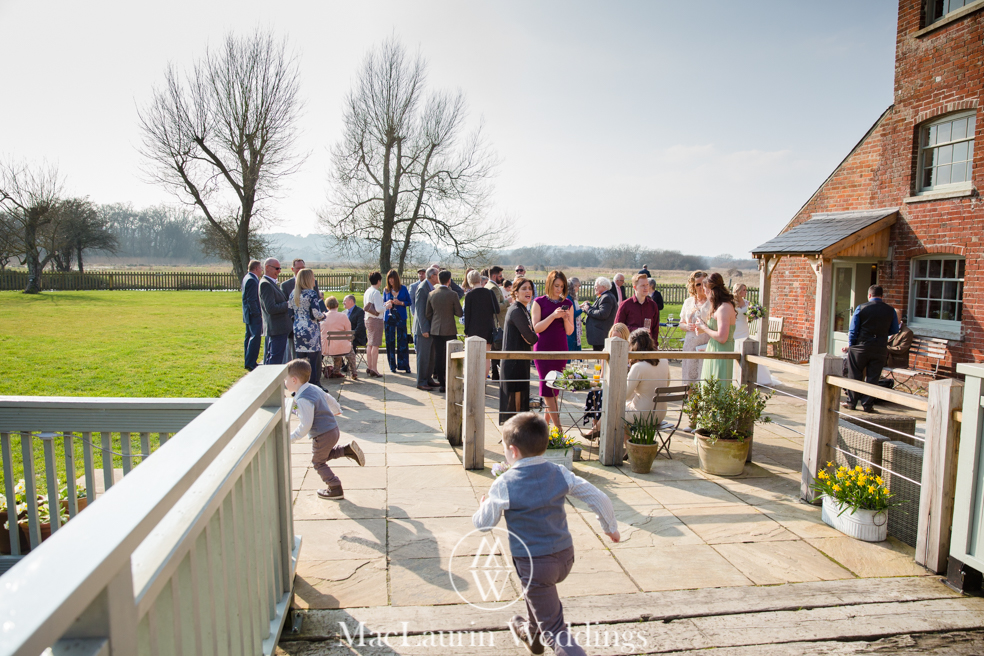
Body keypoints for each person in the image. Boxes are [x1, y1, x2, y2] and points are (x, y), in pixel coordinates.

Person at [472, 412, 618, 656]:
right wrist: (610, 527)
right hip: (564, 557)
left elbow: (483, 524)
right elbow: (598, 496)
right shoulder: (559, 472)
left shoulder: (504, 483)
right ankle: (531, 634)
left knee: (555, 630)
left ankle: (549, 638)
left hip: (534, 565)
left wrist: (483, 506)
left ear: (513, 451)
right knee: (540, 597)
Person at [285, 359, 365, 501]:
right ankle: (347, 450)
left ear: (294, 380)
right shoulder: (312, 388)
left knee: (318, 462)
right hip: (333, 429)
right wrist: (337, 410)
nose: (284, 382)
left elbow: (305, 425)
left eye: (285, 379)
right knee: (322, 455)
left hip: (322, 435)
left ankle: (335, 487)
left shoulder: (304, 399)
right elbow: (328, 398)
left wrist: (291, 438)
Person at [842, 285, 899, 413]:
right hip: (879, 347)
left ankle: (851, 402)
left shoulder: (861, 308)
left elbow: (853, 330)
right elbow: (894, 330)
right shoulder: (890, 310)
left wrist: (851, 345)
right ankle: (867, 405)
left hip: (861, 346)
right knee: (873, 377)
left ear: (869, 295)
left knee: (854, 375)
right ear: (882, 296)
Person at [531, 270, 575, 429]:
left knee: (555, 389)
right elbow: (537, 328)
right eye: (556, 286)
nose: (559, 290)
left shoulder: (568, 304)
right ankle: (559, 428)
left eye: (562, 287)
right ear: (549, 284)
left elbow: (570, 331)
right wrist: (553, 316)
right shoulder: (539, 302)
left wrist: (565, 318)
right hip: (543, 349)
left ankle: (546, 426)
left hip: (561, 349)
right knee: (546, 389)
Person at [499, 277, 538, 424]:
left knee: (520, 406)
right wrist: (532, 333)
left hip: (520, 361)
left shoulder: (523, 309)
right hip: (514, 363)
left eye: (529, 288)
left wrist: (531, 333)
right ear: (515, 292)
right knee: (515, 411)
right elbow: (531, 338)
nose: (528, 291)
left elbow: (530, 335)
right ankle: (514, 439)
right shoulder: (516, 310)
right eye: (524, 288)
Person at [583, 323, 630, 437]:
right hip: (609, 383)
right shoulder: (606, 350)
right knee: (594, 393)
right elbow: (603, 374)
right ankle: (597, 430)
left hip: (624, 386)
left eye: (619, 339)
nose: (616, 341)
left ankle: (597, 429)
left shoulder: (629, 351)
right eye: (613, 338)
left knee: (607, 396)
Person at [696, 272, 737, 386]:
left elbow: (722, 337)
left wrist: (704, 327)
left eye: (705, 289)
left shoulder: (724, 308)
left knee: (719, 387)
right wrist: (702, 327)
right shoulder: (719, 306)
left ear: (711, 290)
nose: (704, 292)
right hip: (714, 349)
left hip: (722, 351)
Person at [425, 270, 463, 393]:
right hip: (449, 329)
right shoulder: (453, 295)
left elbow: (428, 314)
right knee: (450, 356)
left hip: (436, 329)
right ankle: (450, 380)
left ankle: (441, 383)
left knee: (438, 356)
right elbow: (459, 313)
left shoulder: (432, 294)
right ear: (449, 280)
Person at [624, 329, 671, 425]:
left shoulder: (638, 367)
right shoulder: (664, 361)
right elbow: (667, 384)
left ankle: (599, 431)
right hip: (660, 415)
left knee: (614, 406)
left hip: (642, 415)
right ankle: (596, 429)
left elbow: (625, 395)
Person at [290, 269, 326, 387]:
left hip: (298, 328)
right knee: (313, 360)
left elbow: (290, 311)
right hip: (310, 329)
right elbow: (316, 313)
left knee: (300, 360)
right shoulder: (311, 294)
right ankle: (314, 384)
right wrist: (324, 316)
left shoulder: (293, 294)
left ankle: (300, 384)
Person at [282, 258, 323, 358]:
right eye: (298, 268)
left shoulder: (311, 285)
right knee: (305, 358)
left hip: (303, 326)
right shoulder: (286, 285)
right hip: (302, 327)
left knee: (306, 358)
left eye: (303, 267)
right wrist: (323, 316)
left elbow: (290, 311)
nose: (300, 270)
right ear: (293, 269)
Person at [464, 269, 498, 378]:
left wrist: (466, 331)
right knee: (486, 355)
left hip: (473, 329)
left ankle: (475, 379)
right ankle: (483, 380)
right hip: (488, 327)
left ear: (469, 280)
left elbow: (467, 316)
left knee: (473, 356)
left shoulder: (469, 295)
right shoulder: (490, 293)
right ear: (480, 279)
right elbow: (496, 310)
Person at [678, 270, 710, 383]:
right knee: (689, 377)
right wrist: (687, 327)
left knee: (703, 377)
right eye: (698, 284)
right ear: (693, 286)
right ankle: (689, 399)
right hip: (690, 343)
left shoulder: (712, 302)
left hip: (705, 343)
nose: (701, 287)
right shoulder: (688, 302)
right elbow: (681, 323)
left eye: (704, 283)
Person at [413, 267, 441, 391]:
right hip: (423, 329)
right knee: (423, 356)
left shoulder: (431, 287)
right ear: (432, 276)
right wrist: (424, 329)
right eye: (437, 274)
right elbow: (419, 310)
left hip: (431, 328)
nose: (439, 276)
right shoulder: (423, 288)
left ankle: (428, 378)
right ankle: (421, 381)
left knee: (431, 356)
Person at [259, 258, 291, 365]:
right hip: (277, 328)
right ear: (267, 267)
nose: (279, 271)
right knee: (275, 359)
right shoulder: (266, 284)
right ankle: (272, 379)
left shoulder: (270, 283)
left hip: (278, 328)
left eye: (280, 268)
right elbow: (271, 308)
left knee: (273, 357)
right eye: (277, 268)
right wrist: (287, 304)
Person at [614, 273, 660, 346]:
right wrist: (638, 329)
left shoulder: (653, 305)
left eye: (647, 285)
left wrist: (654, 346)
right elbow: (617, 328)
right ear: (635, 287)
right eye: (642, 285)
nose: (646, 288)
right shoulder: (625, 305)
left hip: (647, 347)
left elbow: (655, 329)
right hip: (629, 347)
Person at [382, 269, 412, 374]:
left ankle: (404, 365)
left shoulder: (403, 288)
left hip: (401, 317)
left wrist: (401, 303)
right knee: (390, 341)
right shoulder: (385, 290)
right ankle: (392, 365)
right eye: (389, 279)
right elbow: (382, 303)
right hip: (389, 317)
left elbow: (409, 302)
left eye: (392, 278)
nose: (391, 281)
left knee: (402, 341)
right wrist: (387, 303)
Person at [321, 296, 355, 380]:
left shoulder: (323, 317)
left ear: (327, 306)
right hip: (342, 347)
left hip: (327, 348)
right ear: (337, 305)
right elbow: (348, 332)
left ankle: (336, 371)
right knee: (347, 348)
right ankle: (353, 371)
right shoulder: (343, 316)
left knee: (336, 345)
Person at [486, 266, 511, 380]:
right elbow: (496, 308)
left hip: (494, 322)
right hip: (497, 323)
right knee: (498, 350)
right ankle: (497, 374)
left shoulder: (488, 285)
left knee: (495, 350)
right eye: (500, 276)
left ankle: (495, 374)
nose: (502, 278)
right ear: (494, 276)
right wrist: (507, 302)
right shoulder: (494, 288)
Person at [581, 277, 617, 352]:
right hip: (600, 335)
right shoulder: (605, 296)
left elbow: (603, 314)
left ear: (603, 286)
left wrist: (588, 309)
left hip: (600, 335)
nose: (594, 287)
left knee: (600, 358)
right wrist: (589, 307)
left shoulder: (606, 297)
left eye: (596, 285)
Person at [362, 271, 386, 378]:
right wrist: (387, 306)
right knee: (375, 344)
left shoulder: (368, 291)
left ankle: (370, 366)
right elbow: (378, 309)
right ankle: (374, 368)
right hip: (376, 320)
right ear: (379, 281)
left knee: (370, 344)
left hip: (368, 318)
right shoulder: (376, 292)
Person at [241, 259, 263, 371]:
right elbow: (252, 299)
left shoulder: (246, 278)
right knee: (255, 338)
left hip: (247, 314)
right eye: (261, 268)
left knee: (248, 337)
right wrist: (257, 314)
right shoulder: (252, 280)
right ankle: (251, 362)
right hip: (252, 314)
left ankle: (248, 360)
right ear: (256, 268)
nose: (261, 270)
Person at [343, 294, 366, 379]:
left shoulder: (359, 311)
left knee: (351, 342)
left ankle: (350, 366)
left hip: (357, 337)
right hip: (346, 337)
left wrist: (351, 335)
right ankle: (341, 364)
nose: (343, 303)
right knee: (336, 341)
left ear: (351, 301)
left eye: (345, 301)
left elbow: (360, 327)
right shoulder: (344, 312)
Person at [566, 277, 584, 352]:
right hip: (571, 330)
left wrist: (580, 306)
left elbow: (572, 309)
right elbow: (572, 314)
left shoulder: (571, 297)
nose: (578, 289)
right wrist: (583, 309)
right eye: (577, 286)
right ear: (573, 286)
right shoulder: (569, 298)